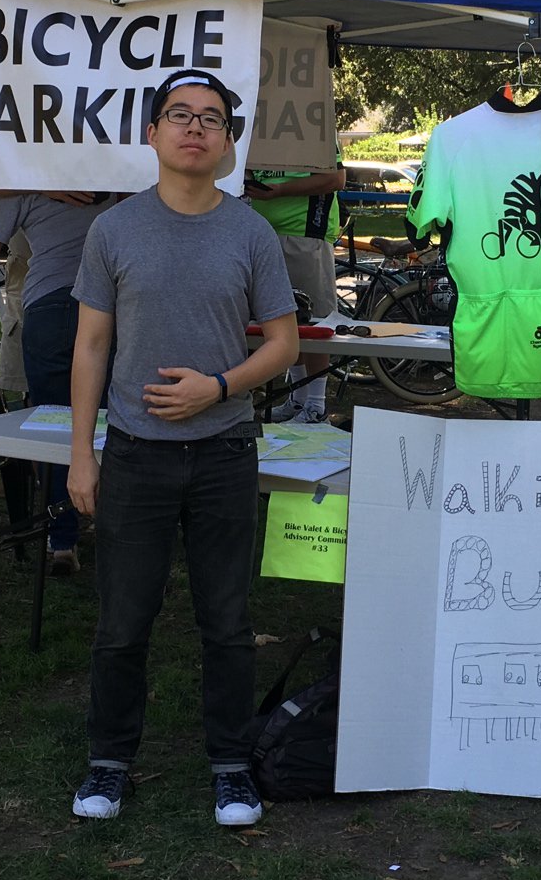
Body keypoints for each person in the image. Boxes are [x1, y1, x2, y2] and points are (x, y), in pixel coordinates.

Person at [65, 69, 300, 827]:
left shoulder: (250, 232)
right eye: (179, 115)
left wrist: (221, 386)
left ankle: (231, 767)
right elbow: (91, 347)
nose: (195, 127)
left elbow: (286, 344)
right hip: (135, 455)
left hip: (225, 453)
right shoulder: (114, 230)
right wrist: (81, 451)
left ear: (229, 143)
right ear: (152, 133)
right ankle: (109, 763)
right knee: (122, 622)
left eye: (211, 119)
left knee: (226, 622)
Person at [0, 189, 117, 573]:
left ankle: (62, 541)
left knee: (55, 425)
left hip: (49, 306)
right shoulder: (115, 176)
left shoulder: (19, 184)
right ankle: (116, 532)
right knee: (112, 423)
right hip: (108, 305)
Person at [243, 161, 345, 423]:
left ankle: (316, 403)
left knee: (314, 322)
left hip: (306, 232)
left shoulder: (316, 125)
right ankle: (298, 398)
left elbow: (335, 179)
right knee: (284, 320)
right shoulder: (258, 126)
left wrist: (281, 190)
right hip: (261, 233)